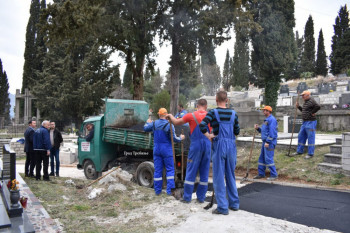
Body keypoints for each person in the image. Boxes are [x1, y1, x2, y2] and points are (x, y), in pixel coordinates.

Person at [199, 90, 240, 215]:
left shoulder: (212, 112)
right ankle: (234, 204)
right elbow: (237, 131)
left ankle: (222, 207)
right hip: (231, 146)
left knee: (218, 177)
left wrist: (209, 135)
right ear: (227, 100)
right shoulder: (234, 114)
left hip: (219, 145)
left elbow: (202, 125)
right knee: (230, 175)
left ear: (216, 100)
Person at [166, 99, 211, 203]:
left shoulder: (191, 115)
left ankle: (187, 198)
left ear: (197, 106)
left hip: (195, 146)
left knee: (191, 171)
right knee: (204, 172)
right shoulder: (211, 116)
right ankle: (201, 198)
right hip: (207, 145)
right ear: (206, 106)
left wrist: (170, 116)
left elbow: (176, 122)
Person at [144, 108, 185, 196]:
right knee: (170, 170)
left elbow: (145, 128)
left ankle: (157, 191)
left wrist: (148, 122)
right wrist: (181, 138)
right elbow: (174, 139)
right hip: (167, 150)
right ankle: (169, 192)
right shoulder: (169, 125)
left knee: (158, 170)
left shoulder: (154, 124)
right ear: (166, 115)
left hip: (157, 150)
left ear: (159, 114)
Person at [291, 90, 320, 159]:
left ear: (307, 95)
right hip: (304, 122)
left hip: (311, 122)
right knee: (301, 135)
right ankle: (299, 151)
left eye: (303, 95)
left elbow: (318, 106)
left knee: (310, 137)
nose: (302, 97)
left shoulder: (311, 100)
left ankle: (310, 153)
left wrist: (312, 112)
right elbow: (304, 111)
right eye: (302, 96)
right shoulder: (306, 102)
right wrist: (298, 107)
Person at [254, 106, 278, 181]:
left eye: (264, 111)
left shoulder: (272, 120)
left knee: (268, 159)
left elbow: (272, 133)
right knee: (262, 158)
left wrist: (268, 141)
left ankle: (274, 175)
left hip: (269, 143)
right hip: (265, 142)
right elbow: (264, 131)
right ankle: (261, 174)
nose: (263, 112)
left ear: (268, 111)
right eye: (263, 110)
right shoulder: (266, 120)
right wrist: (258, 129)